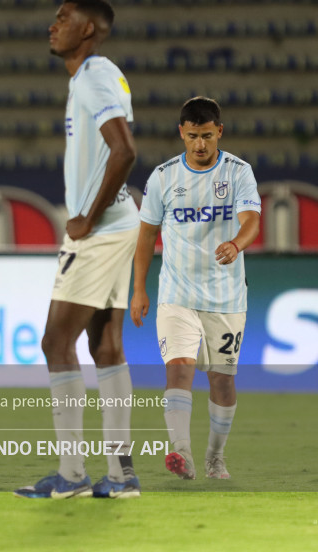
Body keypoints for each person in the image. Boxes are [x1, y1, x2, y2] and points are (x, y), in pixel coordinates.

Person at [14, 0, 141, 500]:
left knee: (55, 343)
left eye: (64, 19)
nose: (54, 25)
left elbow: (125, 150)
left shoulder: (93, 75)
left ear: (88, 29)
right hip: (118, 227)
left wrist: (88, 216)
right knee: (104, 345)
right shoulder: (90, 77)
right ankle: (120, 474)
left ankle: (70, 476)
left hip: (103, 230)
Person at [130, 97, 261, 480]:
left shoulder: (238, 172)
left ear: (219, 131)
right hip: (177, 294)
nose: (200, 144)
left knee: (222, 380)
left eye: (206, 135)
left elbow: (252, 219)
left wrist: (236, 243)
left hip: (226, 296)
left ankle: (214, 457)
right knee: (180, 368)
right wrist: (139, 289)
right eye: (192, 136)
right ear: (181, 133)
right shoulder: (163, 177)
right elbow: (146, 237)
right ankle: (181, 453)